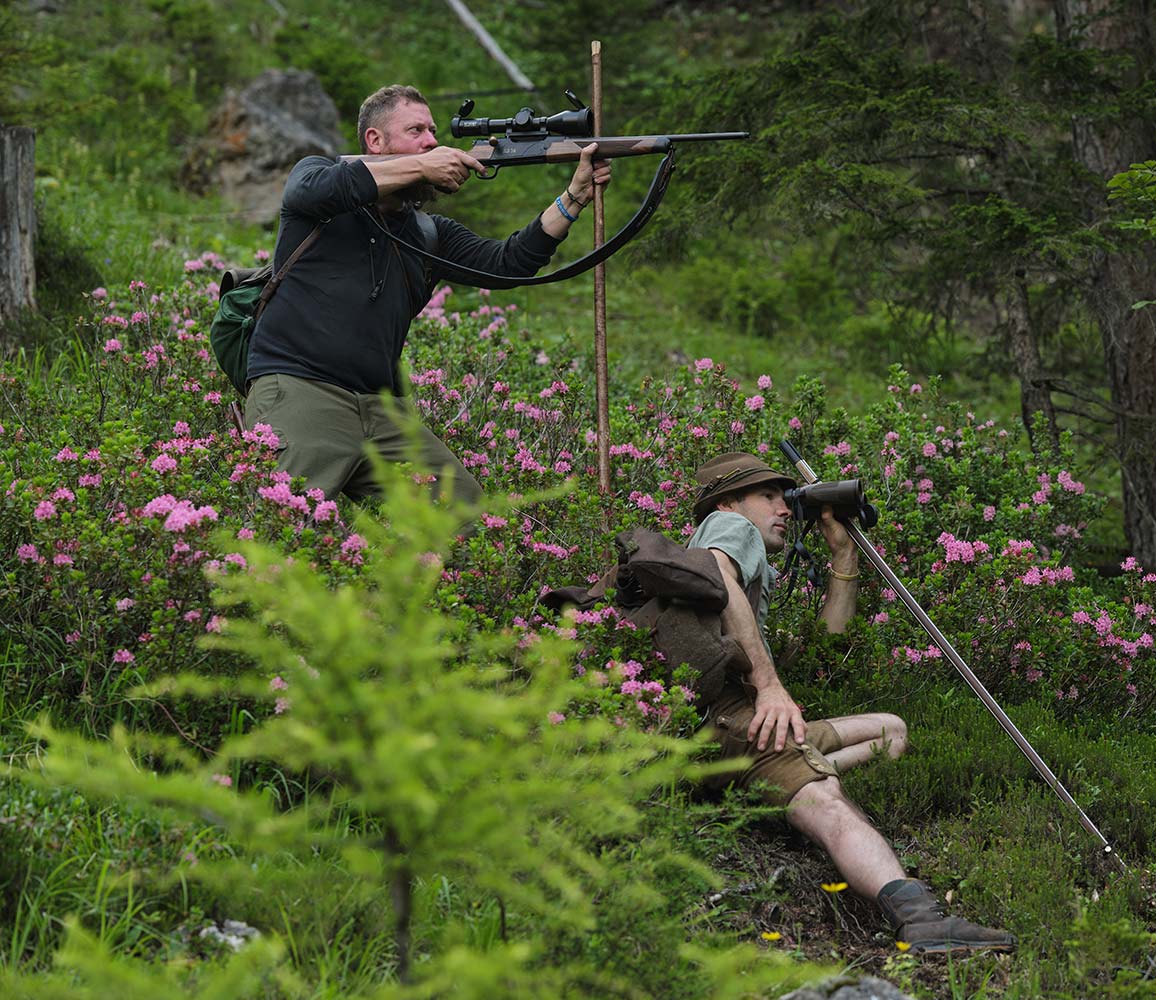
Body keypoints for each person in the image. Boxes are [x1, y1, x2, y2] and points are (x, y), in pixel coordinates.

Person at [688, 451, 1016, 955]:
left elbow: (827, 646)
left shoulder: (740, 542)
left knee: (890, 731)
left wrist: (843, 556)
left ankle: (772, 794)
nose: (784, 507)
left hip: (727, 724)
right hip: (737, 718)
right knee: (829, 801)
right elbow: (717, 572)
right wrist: (771, 686)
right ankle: (921, 919)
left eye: (785, 494)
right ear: (730, 501)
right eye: (769, 495)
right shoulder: (729, 526)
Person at [242, 84, 612, 509]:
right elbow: (310, 191)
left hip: (382, 410)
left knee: (467, 519)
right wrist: (420, 166)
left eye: (433, 132)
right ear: (374, 141)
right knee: (282, 528)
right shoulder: (318, 181)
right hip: (298, 389)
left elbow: (508, 262)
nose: (432, 141)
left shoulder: (428, 232)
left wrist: (574, 198)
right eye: (416, 130)